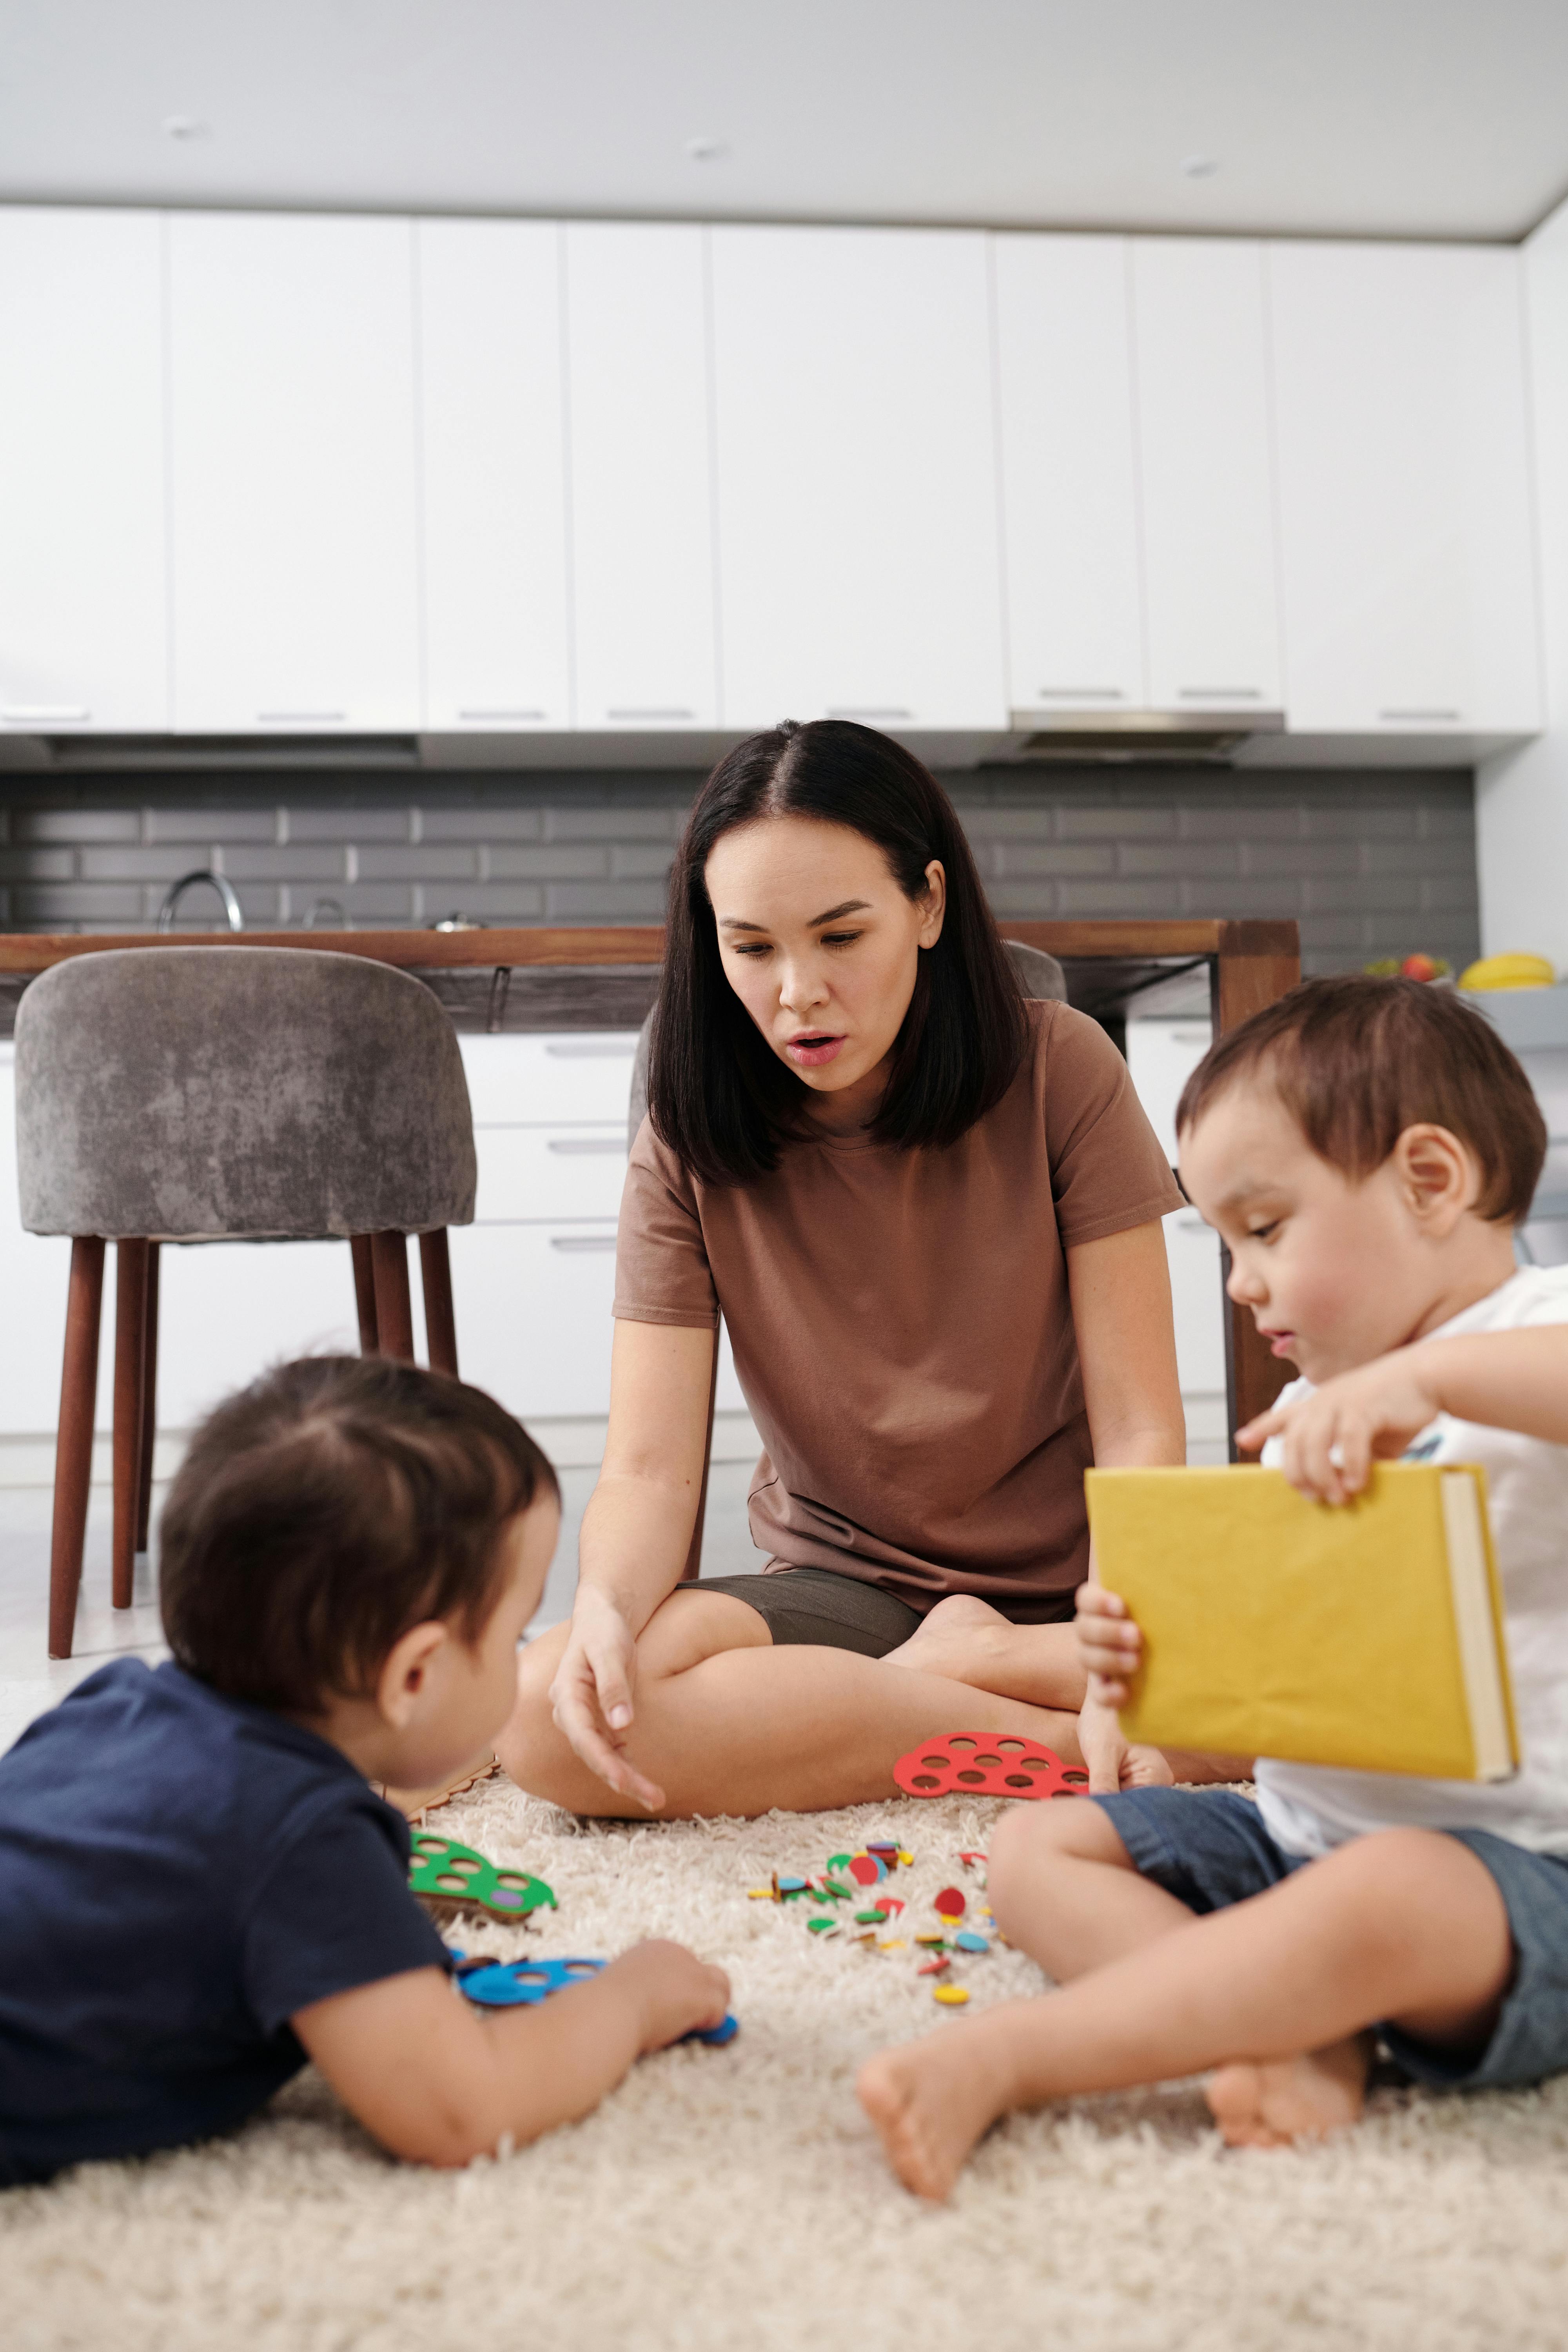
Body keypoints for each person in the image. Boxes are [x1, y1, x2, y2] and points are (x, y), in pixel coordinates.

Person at [857, 975, 1568, 2199]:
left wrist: (1435, 1383)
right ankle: (1291, 2028)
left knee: (1393, 1893)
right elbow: (1286, 1675)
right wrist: (1155, 1675)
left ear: (1432, 1182)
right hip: (1293, 1836)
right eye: (1224, 1242)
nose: (1239, 1281)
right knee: (1038, 1852)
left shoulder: (1532, 1328)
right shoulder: (1303, 1409)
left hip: (1513, 1876)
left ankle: (1027, 2058)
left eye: (1268, 1229)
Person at [501, 719, 1207, 1820]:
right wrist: (599, 1608)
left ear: (927, 905)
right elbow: (647, 1470)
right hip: (842, 1591)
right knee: (553, 1709)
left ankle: (949, 1690)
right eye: (753, 947)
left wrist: (1116, 1644)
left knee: (1361, 1699)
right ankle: (1037, 1733)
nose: (798, 994)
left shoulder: (1063, 1068)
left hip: (1078, 1598)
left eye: (841, 936)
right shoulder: (688, 1139)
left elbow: (1141, 1432)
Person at [0, 1357, 728, 2185]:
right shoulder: (305, 1839)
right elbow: (463, 2110)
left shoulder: (108, 1705)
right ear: (413, 1678)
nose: (523, 1655)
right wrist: (631, 2000)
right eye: (514, 1636)